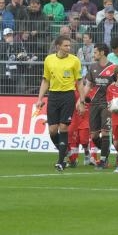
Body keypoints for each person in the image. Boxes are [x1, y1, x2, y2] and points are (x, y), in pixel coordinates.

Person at [36, 35, 84, 171]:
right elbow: (45, 80)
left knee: (63, 127)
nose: (69, 48)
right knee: (52, 130)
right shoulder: (49, 60)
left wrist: (81, 100)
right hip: (53, 96)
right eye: (66, 45)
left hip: (68, 96)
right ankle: (66, 152)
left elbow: (79, 82)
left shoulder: (74, 60)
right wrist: (40, 99)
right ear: (58, 46)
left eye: (69, 45)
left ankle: (61, 161)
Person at [81, 43, 116, 169]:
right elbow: (88, 85)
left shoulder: (113, 68)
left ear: (102, 53)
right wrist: (81, 100)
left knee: (105, 131)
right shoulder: (93, 67)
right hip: (94, 104)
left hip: (108, 104)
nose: (93, 54)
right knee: (94, 135)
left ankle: (103, 160)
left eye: (95, 52)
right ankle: (106, 150)